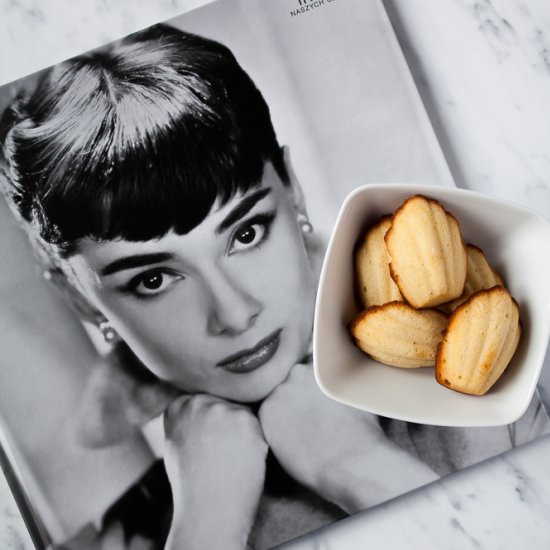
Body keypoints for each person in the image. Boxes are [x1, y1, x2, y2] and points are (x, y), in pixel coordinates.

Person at [1, 23, 547, 550]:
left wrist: (357, 468)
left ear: (295, 193)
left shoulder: (502, 372)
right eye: (154, 278)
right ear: (77, 298)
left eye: (246, 232)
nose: (235, 314)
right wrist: (203, 528)